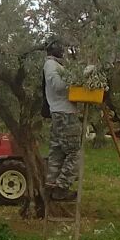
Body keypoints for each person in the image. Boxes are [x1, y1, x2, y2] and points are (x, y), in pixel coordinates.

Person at [41, 41, 80, 201]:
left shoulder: (53, 64)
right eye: (61, 49)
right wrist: (75, 78)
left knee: (57, 151)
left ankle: (51, 186)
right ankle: (61, 188)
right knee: (74, 152)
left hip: (59, 112)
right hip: (65, 113)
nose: (63, 52)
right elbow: (58, 86)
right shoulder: (51, 64)